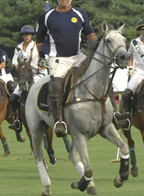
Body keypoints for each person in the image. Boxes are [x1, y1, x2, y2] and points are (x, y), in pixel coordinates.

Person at [36, 0, 97, 136]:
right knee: (56, 84)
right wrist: (41, 57)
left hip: (78, 56)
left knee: (99, 73)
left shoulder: (80, 14)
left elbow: (91, 34)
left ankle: (113, 113)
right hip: (58, 58)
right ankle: (59, 121)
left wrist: (94, 48)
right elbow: (39, 37)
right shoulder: (47, 16)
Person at [8, 25, 49, 132]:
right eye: (25, 34)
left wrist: (39, 68)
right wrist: (21, 69)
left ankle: (50, 115)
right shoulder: (18, 48)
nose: (27, 36)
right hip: (25, 76)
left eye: (29, 34)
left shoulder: (37, 46)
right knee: (13, 97)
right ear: (23, 36)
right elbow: (14, 63)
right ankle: (17, 120)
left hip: (39, 74)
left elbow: (47, 60)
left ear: (32, 35)